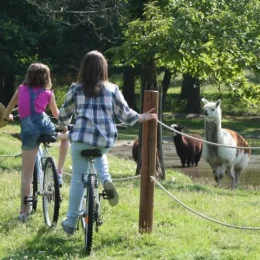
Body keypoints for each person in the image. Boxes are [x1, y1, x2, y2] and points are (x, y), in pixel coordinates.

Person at [58, 50, 157, 235]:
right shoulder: (112, 89)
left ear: (84, 68)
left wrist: (62, 126)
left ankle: (71, 222)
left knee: (78, 181)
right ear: (103, 68)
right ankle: (106, 180)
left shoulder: (75, 88)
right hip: (104, 140)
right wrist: (143, 116)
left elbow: (64, 113)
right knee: (99, 154)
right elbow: (126, 116)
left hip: (80, 139)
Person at [4, 63, 69, 221]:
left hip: (28, 131)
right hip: (45, 127)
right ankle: (59, 172)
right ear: (46, 77)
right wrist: (65, 126)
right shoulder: (48, 93)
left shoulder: (20, 90)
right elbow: (57, 115)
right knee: (67, 136)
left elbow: (7, 114)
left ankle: (23, 212)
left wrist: (10, 117)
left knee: (26, 174)